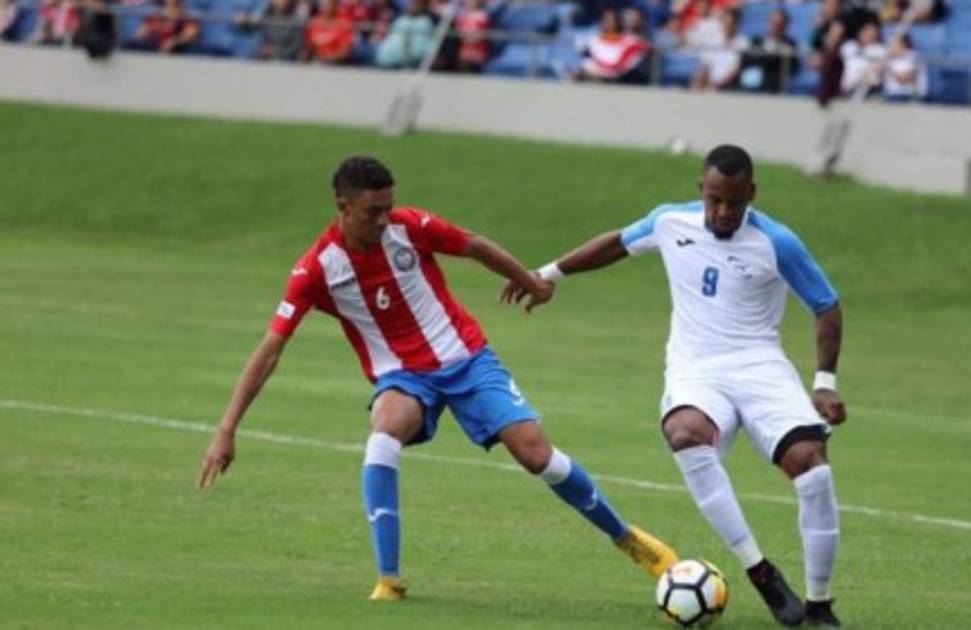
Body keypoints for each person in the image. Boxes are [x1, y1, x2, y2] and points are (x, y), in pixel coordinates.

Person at [196, 156, 679, 601]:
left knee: (536, 454)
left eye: (388, 207)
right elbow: (271, 349)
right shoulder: (315, 269)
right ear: (343, 207)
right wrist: (226, 429)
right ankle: (388, 579)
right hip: (403, 377)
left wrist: (532, 282)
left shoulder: (410, 227)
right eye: (373, 211)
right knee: (384, 428)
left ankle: (627, 538)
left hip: (466, 358)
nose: (384, 219)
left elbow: (475, 245)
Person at [507, 145, 847, 627]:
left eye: (734, 202)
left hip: (761, 367)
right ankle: (759, 570)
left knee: (812, 469)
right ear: (701, 190)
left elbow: (826, 306)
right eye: (714, 200)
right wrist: (547, 274)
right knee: (685, 434)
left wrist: (825, 383)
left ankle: (820, 604)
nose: (723, 211)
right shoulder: (670, 221)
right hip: (696, 370)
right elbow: (616, 243)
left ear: (752, 193)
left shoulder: (777, 242)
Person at [577, 8, 649, 84]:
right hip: (596, 78)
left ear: (617, 22)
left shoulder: (630, 41)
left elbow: (640, 51)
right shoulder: (593, 41)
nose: (608, 23)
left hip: (622, 80)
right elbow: (588, 61)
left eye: (611, 20)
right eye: (606, 20)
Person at [739, 8, 800, 94]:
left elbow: (794, 68)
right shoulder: (756, 42)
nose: (775, 27)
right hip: (753, 86)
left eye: (779, 24)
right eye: (773, 23)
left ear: (785, 26)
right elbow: (746, 62)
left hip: (775, 88)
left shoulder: (791, 45)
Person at [374, 0, 436, 69]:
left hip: (404, 65)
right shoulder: (401, 20)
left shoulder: (425, 23)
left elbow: (420, 50)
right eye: (411, 3)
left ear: (423, 6)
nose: (412, 5)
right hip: (383, 61)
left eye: (416, 3)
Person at [302, 0, 354, 64]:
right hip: (315, 61)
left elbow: (345, 51)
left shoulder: (343, 23)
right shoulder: (315, 22)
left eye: (330, 5)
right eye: (325, 4)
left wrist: (329, 59)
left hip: (335, 63)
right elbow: (308, 46)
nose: (327, 7)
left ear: (336, 6)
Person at [883, 33, 927, 101]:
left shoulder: (913, 56)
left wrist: (886, 67)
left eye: (893, 44)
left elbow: (905, 78)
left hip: (907, 97)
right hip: (893, 96)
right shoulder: (893, 59)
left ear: (902, 44)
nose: (890, 47)